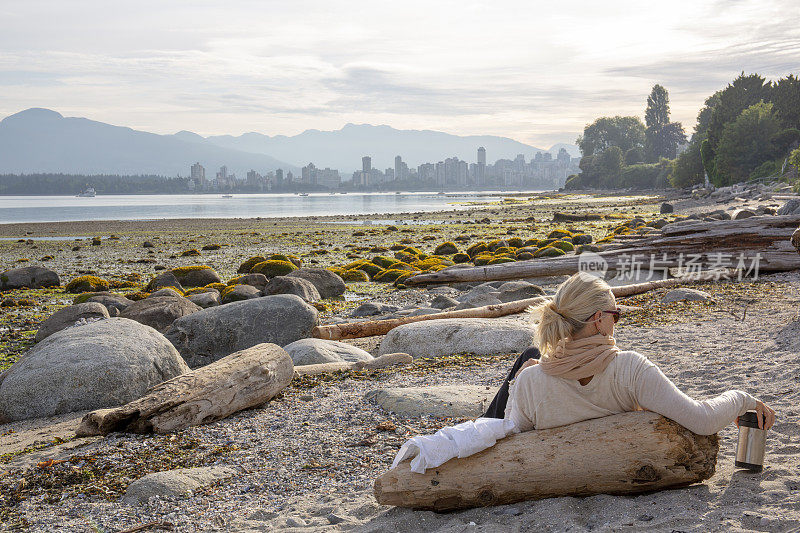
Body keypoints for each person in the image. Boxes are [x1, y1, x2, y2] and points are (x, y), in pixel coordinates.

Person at [501, 272, 775, 435]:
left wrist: (518, 386)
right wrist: (741, 399)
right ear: (598, 319)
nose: (615, 322)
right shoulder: (629, 370)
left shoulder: (531, 381)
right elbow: (702, 420)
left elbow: (509, 438)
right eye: (615, 315)